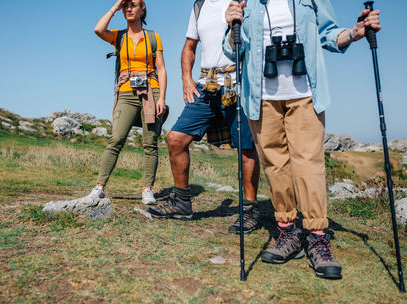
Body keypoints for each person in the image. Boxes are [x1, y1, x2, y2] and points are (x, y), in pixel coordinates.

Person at [223, 0, 381, 279]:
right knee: (274, 166)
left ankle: (317, 236)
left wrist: (356, 32)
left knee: (308, 164)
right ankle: (288, 234)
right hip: (261, 96)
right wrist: (230, 26)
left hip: (306, 92)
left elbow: (329, 35)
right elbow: (233, 49)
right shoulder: (246, 3)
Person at [147, 0, 261, 234]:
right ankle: (181, 203)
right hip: (206, 85)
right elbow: (189, 46)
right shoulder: (199, 6)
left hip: (238, 84)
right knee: (175, 139)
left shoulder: (242, 2)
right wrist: (186, 78)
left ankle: (249, 210)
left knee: (247, 148)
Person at [91, 0, 167, 205]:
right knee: (116, 139)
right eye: (126, 6)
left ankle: (147, 189)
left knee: (150, 143)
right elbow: (98, 29)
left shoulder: (153, 37)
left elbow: (161, 69)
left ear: (142, 9)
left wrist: (162, 98)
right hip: (125, 92)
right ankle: (99, 187)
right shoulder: (119, 36)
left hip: (151, 91)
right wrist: (115, 7)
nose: (128, 9)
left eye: (132, 5)